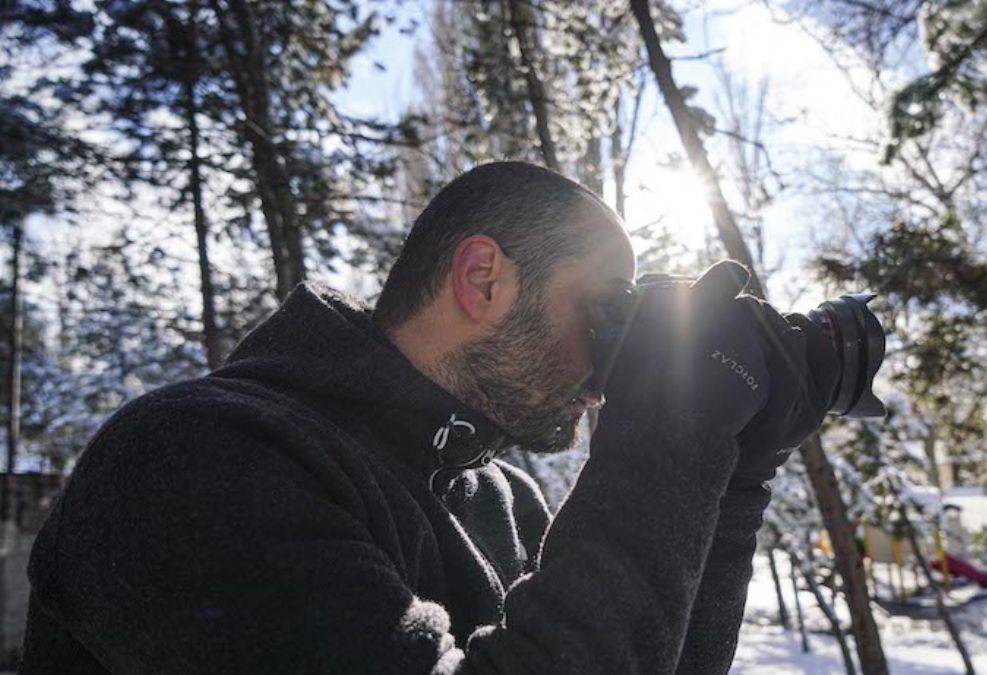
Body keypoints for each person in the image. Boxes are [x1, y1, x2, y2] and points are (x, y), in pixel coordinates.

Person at [20, 162, 839, 674]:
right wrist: (668, 430)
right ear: (482, 279)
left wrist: (732, 472)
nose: (607, 373)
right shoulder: (192, 459)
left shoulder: (503, 498)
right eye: (602, 314)